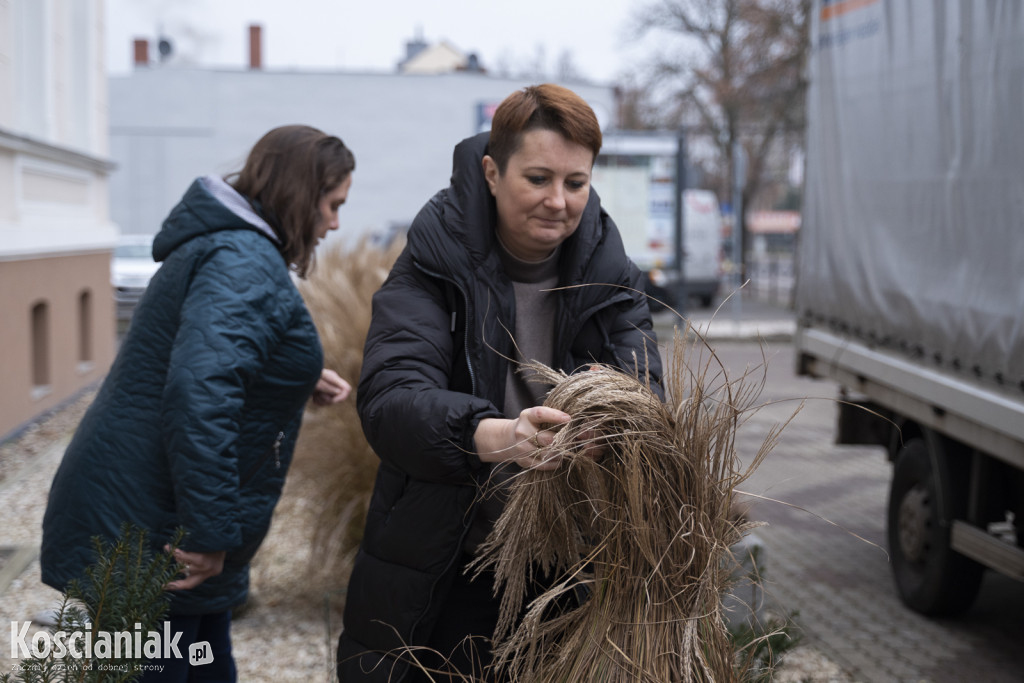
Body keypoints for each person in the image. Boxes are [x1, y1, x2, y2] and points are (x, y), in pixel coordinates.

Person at [336, 84, 664, 682]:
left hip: (573, 572)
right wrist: (498, 436)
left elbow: (646, 395)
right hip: (449, 562)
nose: (558, 202)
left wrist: (613, 423)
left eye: (576, 182)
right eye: (537, 178)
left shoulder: (612, 279)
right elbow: (390, 402)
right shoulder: (433, 263)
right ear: (491, 172)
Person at [41, 124, 356, 682]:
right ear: (299, 192)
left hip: (151, 512)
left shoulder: (233, 248)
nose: (335, 223)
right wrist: (206, 535)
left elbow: (210, 360)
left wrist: (297, 377)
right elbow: (198, 394)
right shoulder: (242, 259)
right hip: (156, 526)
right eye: (332, 205)